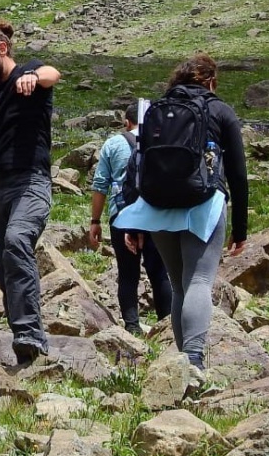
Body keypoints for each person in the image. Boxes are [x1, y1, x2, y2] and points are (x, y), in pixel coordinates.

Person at [114, 52, 248, 372]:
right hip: (204, 202)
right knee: (199, 280)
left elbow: (138, 165)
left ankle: (181, 365)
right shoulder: (220, 110)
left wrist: (134, 223)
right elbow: (238, 174)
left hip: (157, 206)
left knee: (178, 285)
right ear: (211, 81)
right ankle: (194, 359)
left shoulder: (157, 110)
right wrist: (240, 229)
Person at [0, 21, 62, 367]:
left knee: (17, 241)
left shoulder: (28, 73)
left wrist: (33, 77)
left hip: (29, 181)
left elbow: (52, 74)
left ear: (1, 49)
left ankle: (30, 334)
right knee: (5, 265)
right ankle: (23, 341)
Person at [89, 103, 172, 334]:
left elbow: (100, 185)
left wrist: (95, 221)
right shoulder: (163, 141)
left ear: (127, 122)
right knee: (159, 272)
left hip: (123, 214)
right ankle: (167, 328)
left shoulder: (113, 144)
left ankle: (132, 327)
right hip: (157, 215)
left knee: (128, 273)